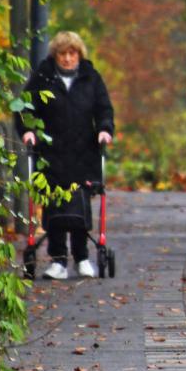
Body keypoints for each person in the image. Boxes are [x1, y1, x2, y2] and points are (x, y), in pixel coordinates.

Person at [17, 31, 115, 280]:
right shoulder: (43, 77)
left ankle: (82, 258)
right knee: (54, 205)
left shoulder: (91, 77)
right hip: (52, 153)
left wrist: (104, 129)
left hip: (84, 152)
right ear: (56, 55)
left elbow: (104, 108)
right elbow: (25, 107)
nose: (68, 59)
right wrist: (28, 131)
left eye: (72, 54)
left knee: (80, 204)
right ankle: (58, 259)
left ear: (79, 55)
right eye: (63, 54)